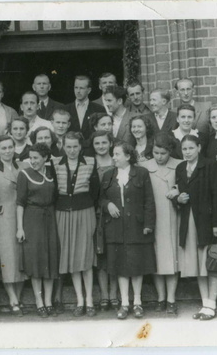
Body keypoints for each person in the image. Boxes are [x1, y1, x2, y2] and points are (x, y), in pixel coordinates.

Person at [100, 142, 156, 320]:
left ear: (128, 156)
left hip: (136, 227)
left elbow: (149, 200)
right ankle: (124, 303)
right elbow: (100, 198)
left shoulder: (141, 173)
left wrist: (148, 224)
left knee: (136, 264)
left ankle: (137, 302)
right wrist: (107, 204)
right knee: (121, 266)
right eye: (113, 154)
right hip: (115, 227)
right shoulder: (108, 175)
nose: (114, 157)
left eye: (117, 154)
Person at [174, 135, 217, 320]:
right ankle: (206, 304)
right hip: (189, 220)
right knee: (198, 264)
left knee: (210, 263)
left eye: (191, 148)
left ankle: (212, 304)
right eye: (184, 149)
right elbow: (177, 192)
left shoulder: (209, 165)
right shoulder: (180, 168)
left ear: (199, 147)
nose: (187, 152)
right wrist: (177, 198)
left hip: (207, 221)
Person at [53, 132, 99, 317]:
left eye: (75, 146)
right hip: (63, 213)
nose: (72, 150)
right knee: (70, 255)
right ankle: (80, 300)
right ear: (63, 146)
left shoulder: (90, 162)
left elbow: (95, 191)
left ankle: (90, 301)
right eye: (68, 146)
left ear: (80, 147)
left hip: (85, 212)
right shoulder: (55, 163)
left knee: (85, 256)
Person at [16, 143, 60, 318]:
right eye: (31, 158)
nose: (32, 161)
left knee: (50, 258)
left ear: (45, 158)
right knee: (36, 261)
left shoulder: (51, 173)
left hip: (50, 218)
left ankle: (48, 301)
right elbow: (20, 202)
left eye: (36, 158)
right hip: (32, 219)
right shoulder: (24, 174)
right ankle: (39, 301)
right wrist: (20, 228)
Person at [141, 133, 182, 315]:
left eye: (163, 153)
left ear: (170, 151)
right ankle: (161, 298)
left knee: (172, 257)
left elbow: (186, 185)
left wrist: (178, 190)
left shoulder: (179, 165)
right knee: (156, 257)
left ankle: (171, 299)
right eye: (156, 153)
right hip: (153, 217)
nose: (159, 157)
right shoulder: (145, 167)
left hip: (173, 217)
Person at [0, 135, 27, 317]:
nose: (7, 151)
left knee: (20, 258)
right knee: (8, 258)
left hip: (24, 216)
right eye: (3, 148)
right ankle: (12, 299)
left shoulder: (24, 167)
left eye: (10, 147)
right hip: (3, 218)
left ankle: (17, 298)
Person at [90, 130, 118, 311]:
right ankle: (104, 295)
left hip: (115, 213)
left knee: (114, 254)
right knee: (100, 254)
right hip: (96, 213)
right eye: (97, 143)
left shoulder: (117, 162)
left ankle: (114, 294)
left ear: (110, 144)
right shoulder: (89, 163)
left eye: (104, 143)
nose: (101, 146)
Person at [65, 75, 105, 140]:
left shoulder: (99, 109)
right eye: (76, 87)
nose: (78, 91)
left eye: (81, 88)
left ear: (89, 90)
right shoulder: (66, 109)